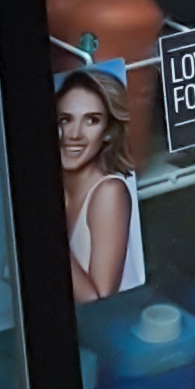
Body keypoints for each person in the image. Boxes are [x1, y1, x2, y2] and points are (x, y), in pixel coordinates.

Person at [59, 66, 144, 302]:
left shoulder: (109, 192)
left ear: (108, 132)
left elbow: (99, 301)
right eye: (65, 119)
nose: (74, 134)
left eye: (91, 121)